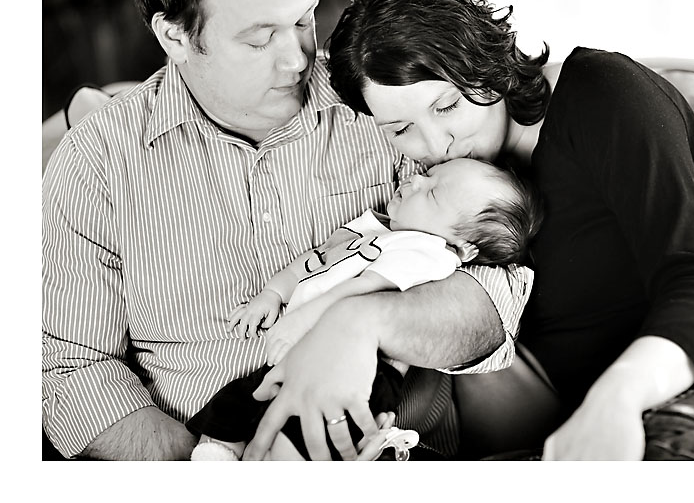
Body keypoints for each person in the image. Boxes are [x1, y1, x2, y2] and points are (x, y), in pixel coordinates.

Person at [299, 0, 694, 461]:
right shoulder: (447, 190)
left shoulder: (601, 92)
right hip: (600, 399)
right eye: (402, 128)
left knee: (659, 450)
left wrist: (618, 398)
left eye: (446, 105)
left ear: (484, 67)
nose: (435, 145)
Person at [41, 0, 534, 461]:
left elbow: (494, 292)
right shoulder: (97, 159)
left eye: (303, 20)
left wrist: (362, 321)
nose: (298, 60)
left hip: (393, 447)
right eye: (260, 39)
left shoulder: (379, 100)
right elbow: (70, 367)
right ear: (176, 36)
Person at [188, 158, 541, 460]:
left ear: (462, 246)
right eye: (428, 173)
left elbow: (364, 287)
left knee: (300, 439)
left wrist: (301, 320)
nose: (415, 180)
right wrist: (273, 293)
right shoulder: (376, 230)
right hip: (293, 354)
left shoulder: (429, 251)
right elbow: (316, 261)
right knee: (230, 408)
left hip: (357, 371)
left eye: (432, 193)